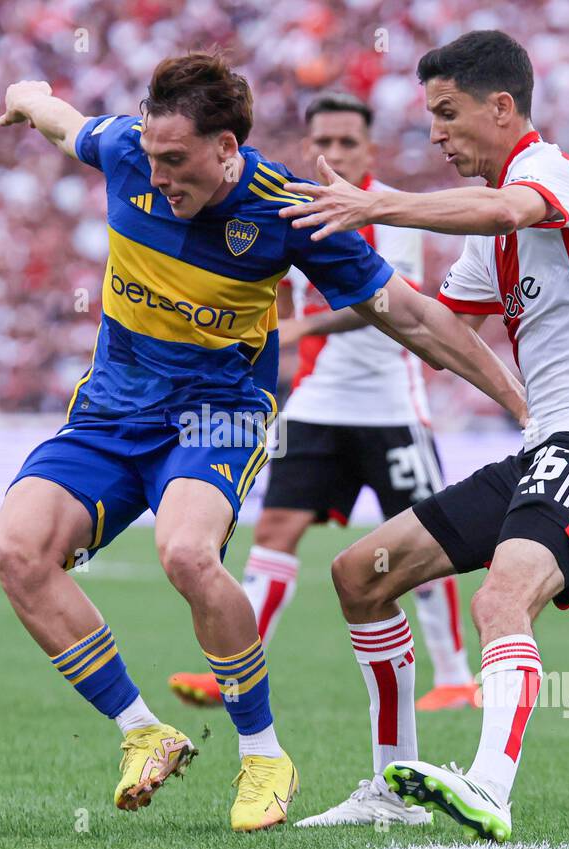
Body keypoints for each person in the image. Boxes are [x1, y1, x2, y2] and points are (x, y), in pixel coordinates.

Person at [0, 51, 526, 831]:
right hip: (108, 413)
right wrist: (24, 91)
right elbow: (60, 120)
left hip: (217, 413)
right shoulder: (124, 150)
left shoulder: (286, 208)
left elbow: (407, 314)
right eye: (152, 154)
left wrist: (513, 396)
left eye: (178, 160)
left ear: (227, 150)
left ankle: (263, 754)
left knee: (185, 553)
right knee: (15, 552)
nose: (160, 172)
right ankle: (145, 732)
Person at [280, 30, 569, 841]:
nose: (436, 135)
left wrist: (377, 203)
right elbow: (426, 320)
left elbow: (503, 206)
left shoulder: (543, 173)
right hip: (544, 448)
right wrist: (298, 324)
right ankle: (388, 784)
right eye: (430, 118)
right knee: (359, 574)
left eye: (447, 116)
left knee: (500, 598)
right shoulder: (494, 239)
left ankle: (488, 785)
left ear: (502, 106)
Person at [168, 93, 478, 730]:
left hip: (394, 407)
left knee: (424, 540)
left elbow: (387, 302)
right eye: (324, 143)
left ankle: (453, 678)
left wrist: (299, 328)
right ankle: (231, 666)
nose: (334, 153)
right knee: (276, 530)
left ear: (369, 150)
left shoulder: (389, 213)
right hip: (318, 405)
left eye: (347, 143)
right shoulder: (293, 206)